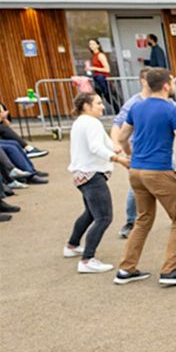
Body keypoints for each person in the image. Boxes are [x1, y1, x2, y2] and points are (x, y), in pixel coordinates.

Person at [112, 68, 176, 286]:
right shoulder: (171, 109)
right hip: (160, 170)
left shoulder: (136, 107)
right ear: (166, 85)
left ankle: (126, 268)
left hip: (137, 171)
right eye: (171, 82)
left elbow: (123, 136)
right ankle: (169, 270)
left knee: (143, 218)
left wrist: (130, 156)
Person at [65, 92, 129, 273]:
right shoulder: (91, 122)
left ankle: (72, 245)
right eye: (98, 103)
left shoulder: (81, 122)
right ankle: (87, 259)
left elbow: (102, 142)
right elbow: (95, 146)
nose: (102, 106)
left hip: (81, 174)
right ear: (86, 106)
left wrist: (114, 147)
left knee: (91, 213)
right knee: (104, 217)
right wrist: (118, 158)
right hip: (92, 175)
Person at [85, 38, 114, 109]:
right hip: (97, 78)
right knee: (99, 96)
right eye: (90, 44)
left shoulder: (100, 55)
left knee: (107, 96)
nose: (91, 46)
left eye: (93, 44)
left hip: (102, 78)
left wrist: (93, 68)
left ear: (98, 45)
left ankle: (118, 110)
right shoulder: (93, 56)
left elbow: (107, 69)